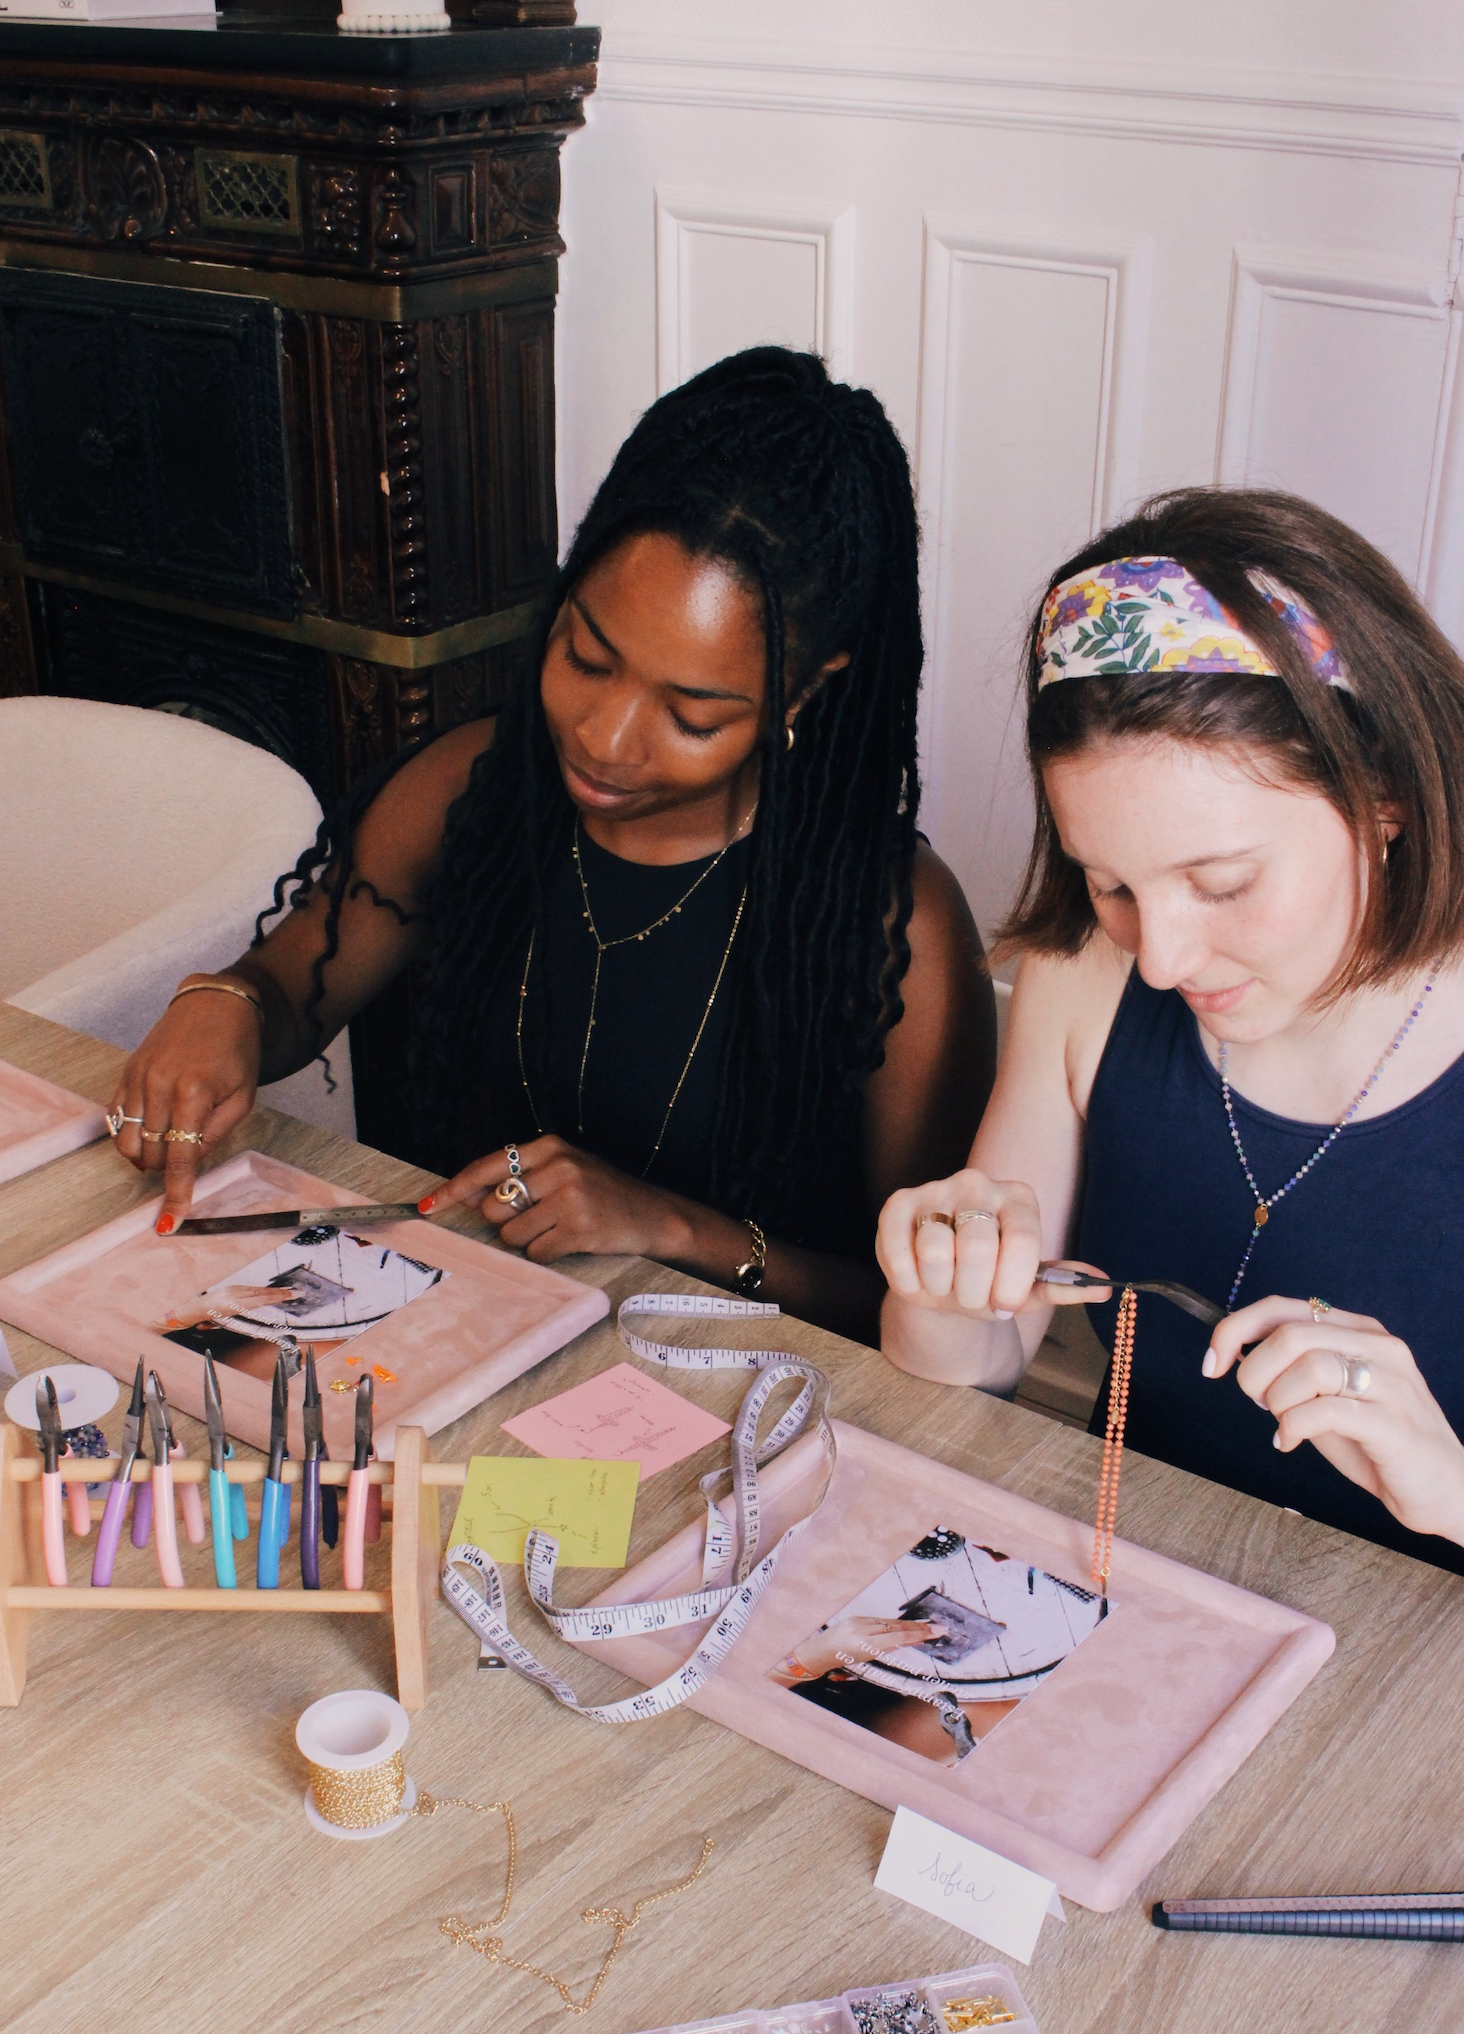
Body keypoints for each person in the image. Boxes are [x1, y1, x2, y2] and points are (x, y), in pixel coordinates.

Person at [110, 347, 995, 1344]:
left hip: (755, 1409)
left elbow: (933, 1310)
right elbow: (286, 991)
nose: (605, 740)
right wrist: (222, 1005)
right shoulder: (475, 791)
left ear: (806, 687)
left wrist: (668, 1227)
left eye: (693, 714)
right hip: (470, 1347)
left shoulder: (890, 926)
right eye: (586, 657)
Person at [877, 488, 1464, 1570]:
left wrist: (1453, 1488)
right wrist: (939, 1291)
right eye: (1110, 883)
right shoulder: (1085, 975)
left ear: (1385, 795)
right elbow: (980, 1363)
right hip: (1139, 1607)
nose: (1160, 958)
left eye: (1223, 883)